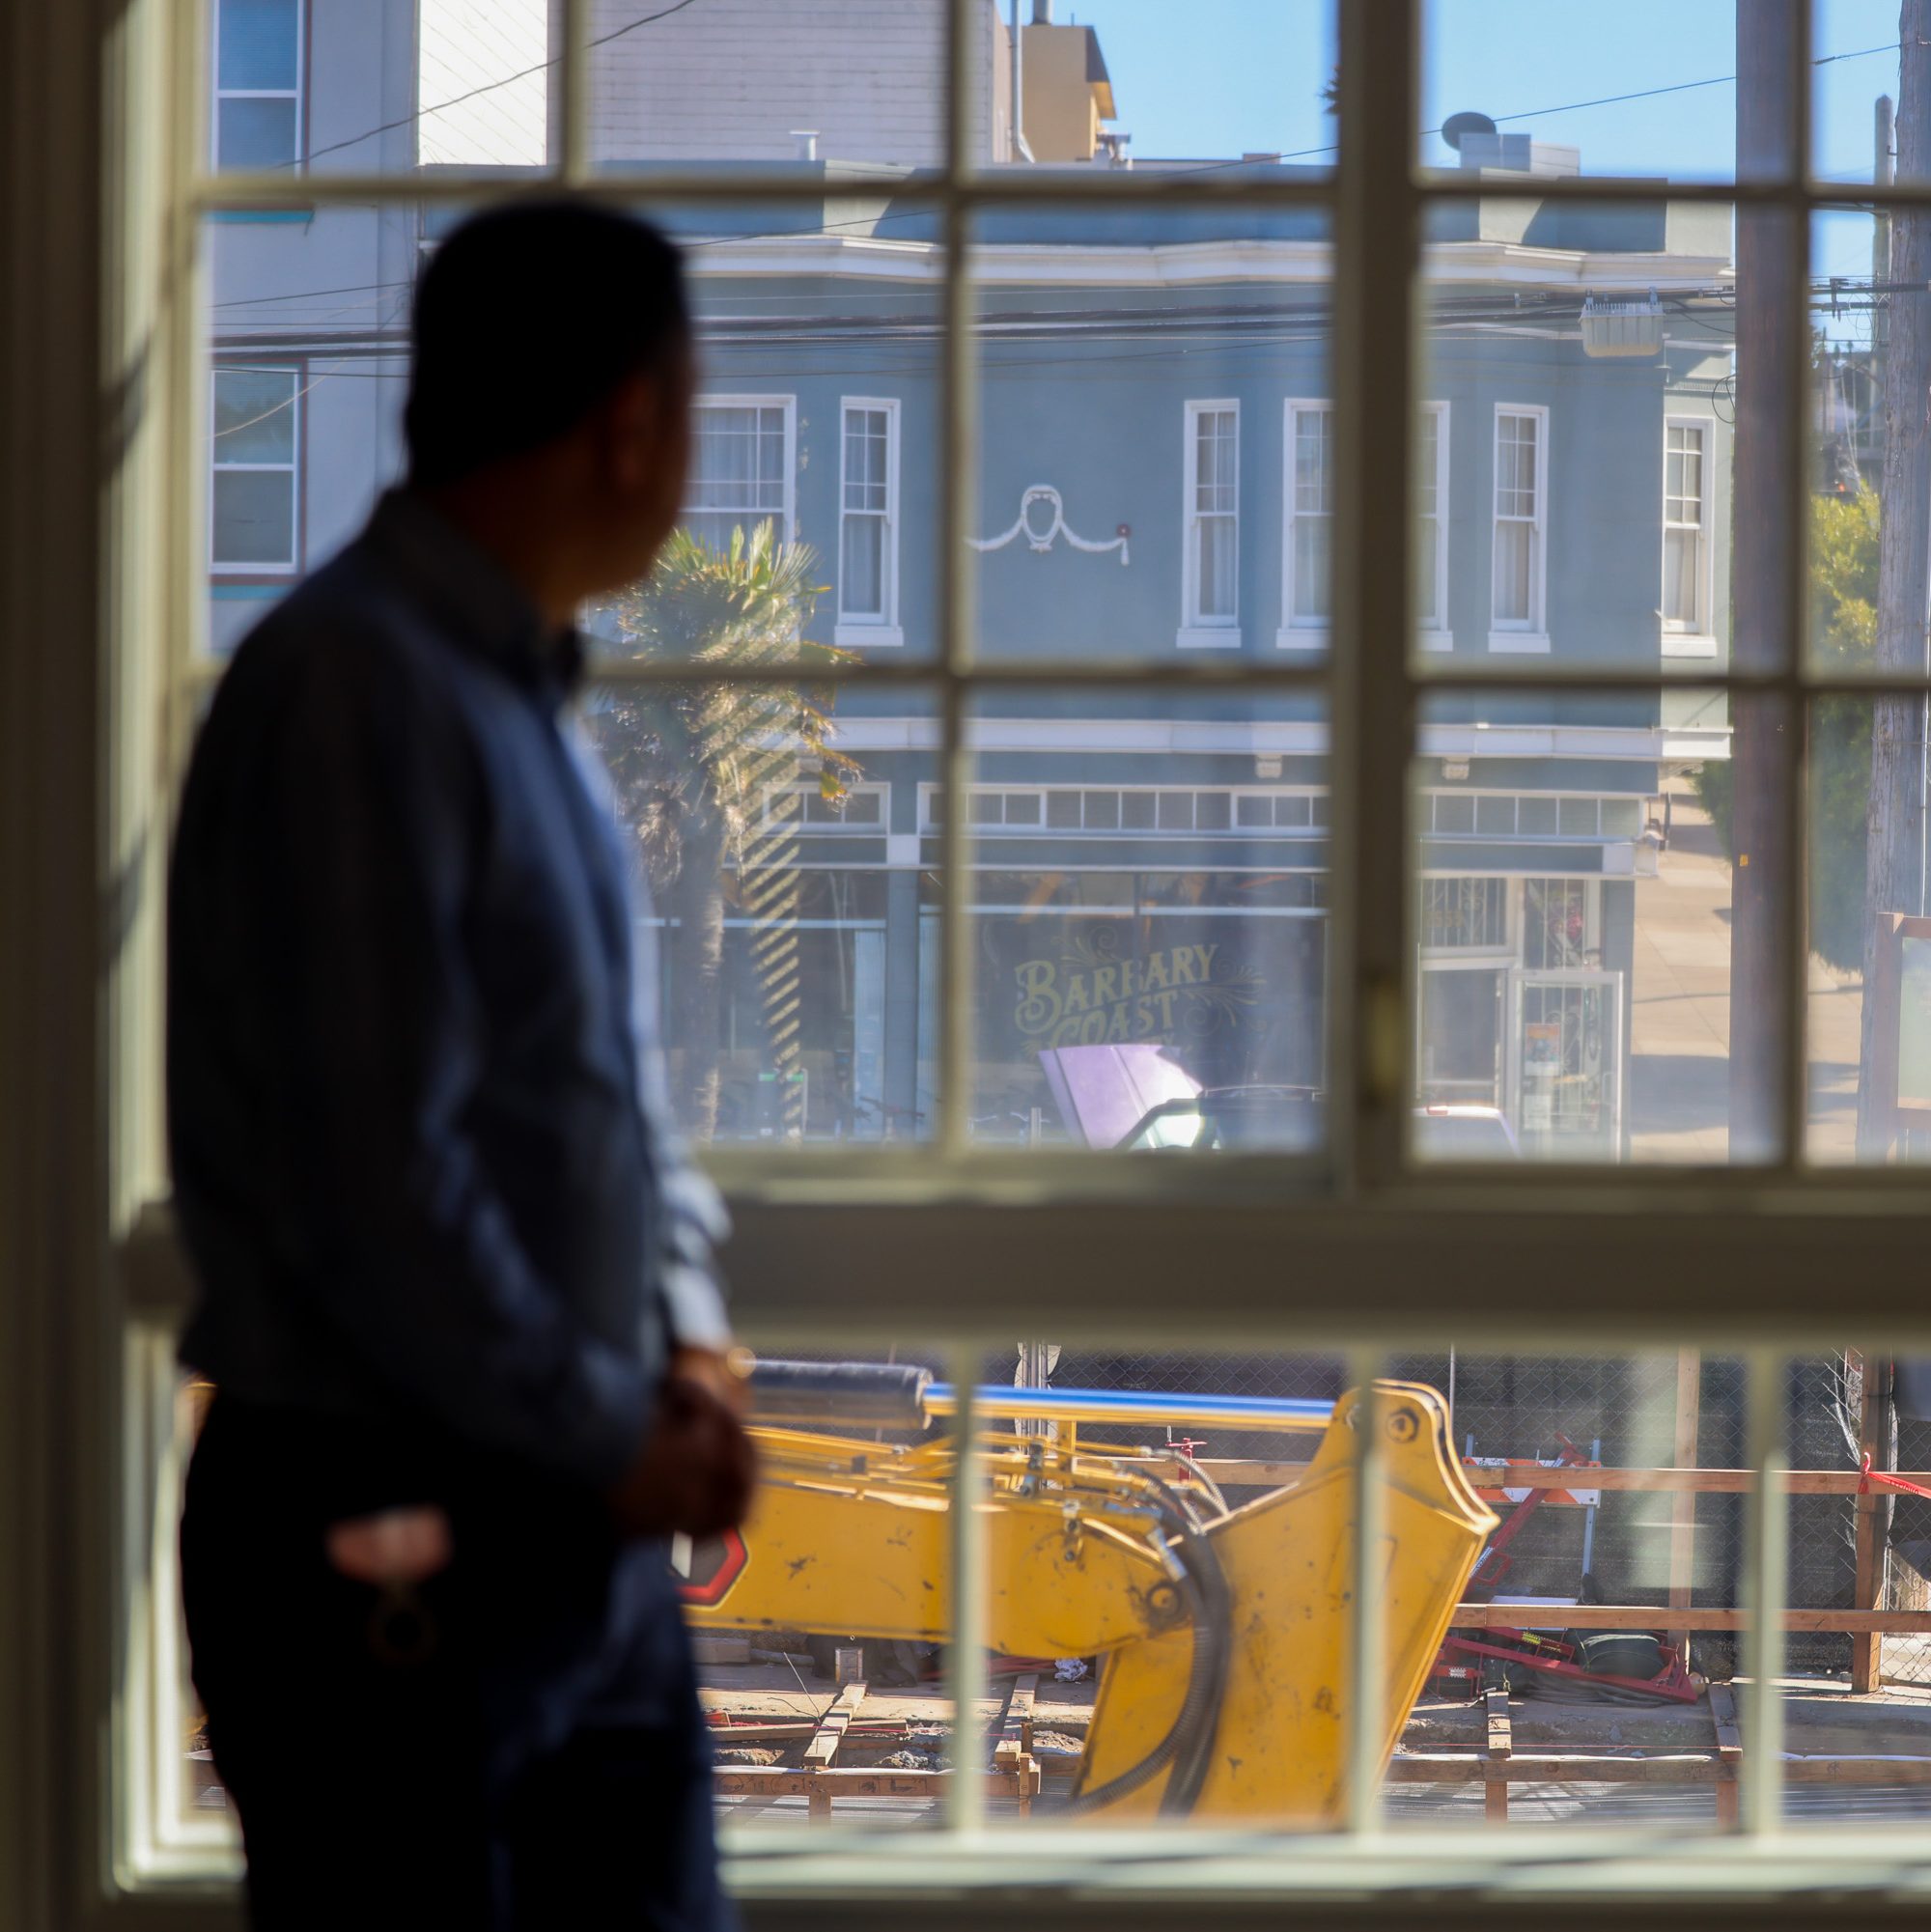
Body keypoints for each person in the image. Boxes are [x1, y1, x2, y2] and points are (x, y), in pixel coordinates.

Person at [169, 203, 753, 1930]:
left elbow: (606, 1102)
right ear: (633, 421)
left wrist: (694, 1339)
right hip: (395, 1554)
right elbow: (376, 1182)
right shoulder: (358, 694)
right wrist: (618, 1430)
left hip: (562, 1527)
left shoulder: (510, 700)